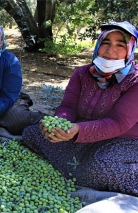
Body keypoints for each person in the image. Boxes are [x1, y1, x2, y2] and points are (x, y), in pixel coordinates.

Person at [21, 21, 138, 197]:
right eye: (106, 42)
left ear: (130, 50)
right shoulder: (82, 74)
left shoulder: (134, 81)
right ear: (98, 45)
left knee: (98, 170)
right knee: (32, 134)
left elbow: (118, 122)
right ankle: (80, 167)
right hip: (81, 134)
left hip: (123, 141)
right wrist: (60, 125)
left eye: (120, 45)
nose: (110, 50)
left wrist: (77, 131)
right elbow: (68, 106)